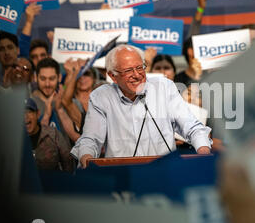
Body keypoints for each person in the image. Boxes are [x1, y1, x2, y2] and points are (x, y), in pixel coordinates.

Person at [71, 44, 212, 168]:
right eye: (128, 71)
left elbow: (192, 127)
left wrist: (203, 152)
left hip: (165, 171)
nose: (137, 75)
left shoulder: (164, 87)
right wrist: (86, 157)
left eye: (140, 68)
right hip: (123, 177)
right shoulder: (100, 97)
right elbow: (90, 139)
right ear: (113, 76)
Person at [31, 58, 80, 143]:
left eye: (52, 78)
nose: (47, 84)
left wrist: (60, 109)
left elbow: (79, 139)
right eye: (43, 79)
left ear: (59, 77)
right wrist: (46, 115)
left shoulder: (72, 104)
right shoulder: (28, 105)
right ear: (35, 77)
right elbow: (32, 142)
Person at [24, 98, 74, 172]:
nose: (25, 117)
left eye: (29, 112)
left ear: (37, 114)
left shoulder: (53, 134)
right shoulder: (13, 140)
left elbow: (68, 162)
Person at [62, 58, 96, 134]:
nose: (82, 78)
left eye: (86, 74)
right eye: (79, 74)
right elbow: (64, 97)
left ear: (94, 78)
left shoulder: (101, 99)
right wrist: (72, 73)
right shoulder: (72, 101)